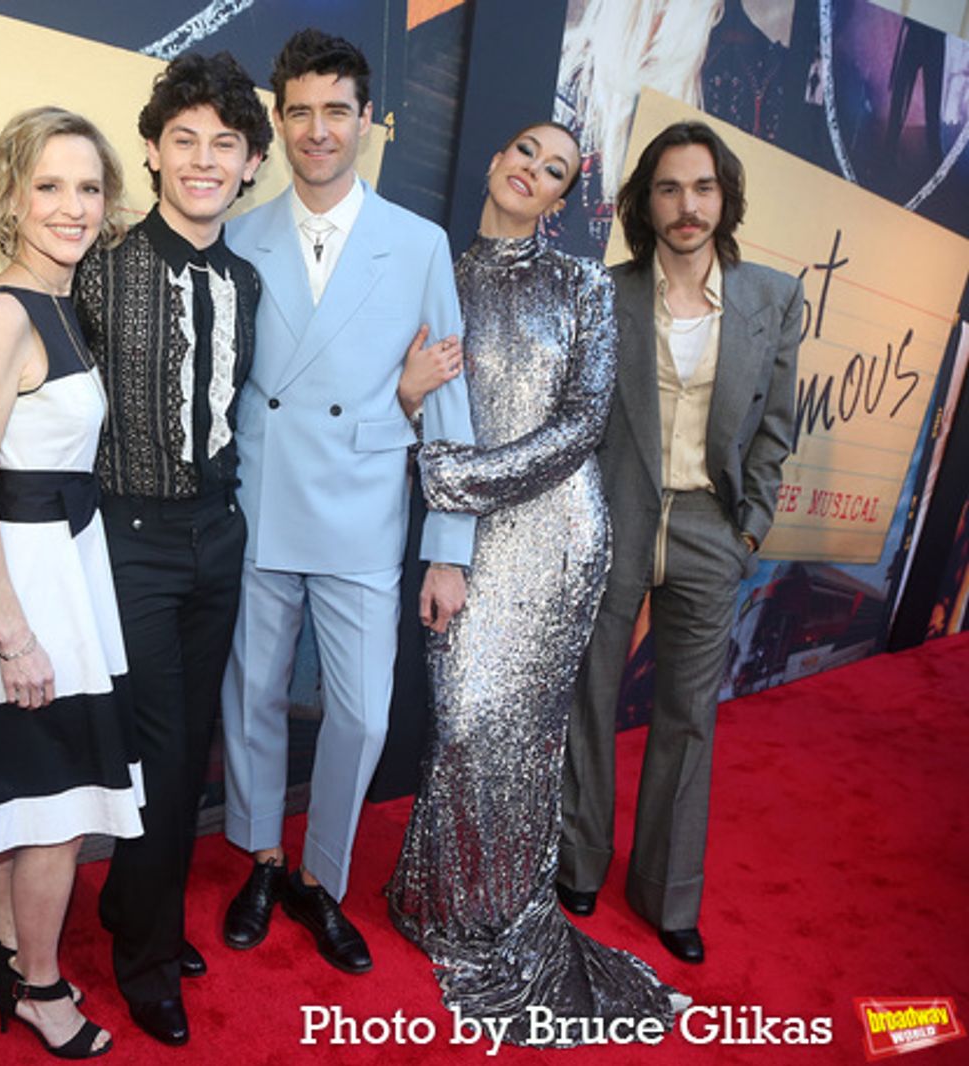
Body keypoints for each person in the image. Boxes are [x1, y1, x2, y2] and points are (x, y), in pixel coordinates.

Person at [386, 122, 684, 1043]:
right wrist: (410, 416)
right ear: (491, 158)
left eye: (555, 170)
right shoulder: (433, 272)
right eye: (523, 151)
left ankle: (497, 916)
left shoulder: (582, 285)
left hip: (555, 534)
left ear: (562, 199)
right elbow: (393, 397)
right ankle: (443, 898)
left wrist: (452, 476)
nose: (532, 171)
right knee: (465, 727)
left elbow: (583, 423)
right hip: (465, 534)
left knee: (513, 736)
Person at [219, 28, 475, 976]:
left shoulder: (417, 243)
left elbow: (448, 398)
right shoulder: (238, 233)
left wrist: (448, 546)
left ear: (369, 121)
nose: (317, 131)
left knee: (361, 715)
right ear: (277, 121)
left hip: (366, 505)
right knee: (249, 695)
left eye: (337, 112)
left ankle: (320, 879)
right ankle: (262, 857)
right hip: (258, 498)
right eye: (299, 113)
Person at [559, 121, 801, 965]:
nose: (686, 205)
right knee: (589, 698)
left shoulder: (773, 298)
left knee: (688, 719)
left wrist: (750, 528)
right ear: (645, 203)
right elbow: (580, 421)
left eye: (701, 187)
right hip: (619, 514)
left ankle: (667, 893)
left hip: (710, 527)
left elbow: (775, 426)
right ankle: (579, 859)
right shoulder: (606, 291)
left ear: (724, 196)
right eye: (669, 188)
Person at [0, 107, 142, 1060]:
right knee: (56, 810)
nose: (72, 206)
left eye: (88, 187)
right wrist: (15, 633)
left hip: (60, 568)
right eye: (48, 186)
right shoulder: (8, 310)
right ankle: (41, 989)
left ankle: (2, 942)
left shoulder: (59, 301)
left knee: (23, 791)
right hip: (26, 584)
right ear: (9, 195)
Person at [73, 53, 270, 1047]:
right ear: (150, 153)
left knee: (189, 749)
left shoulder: (246, 279)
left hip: (218, 539)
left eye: (223, 145)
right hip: (129, 538)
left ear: (248, 166)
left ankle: (133, 910)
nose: (202, 160)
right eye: (182, 139)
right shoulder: (98, 267)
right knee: (154, 747)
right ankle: (145, 955)